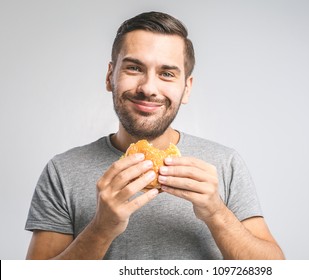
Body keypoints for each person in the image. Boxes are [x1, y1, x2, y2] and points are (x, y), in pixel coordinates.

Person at [25, 11, 284, 260]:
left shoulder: (225, 164)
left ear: (186, 89)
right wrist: (101, 229)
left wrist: (216, 213)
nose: (149, 88)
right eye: (134, 68)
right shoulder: (63, 170)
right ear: (109, 76)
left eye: (167, 74)